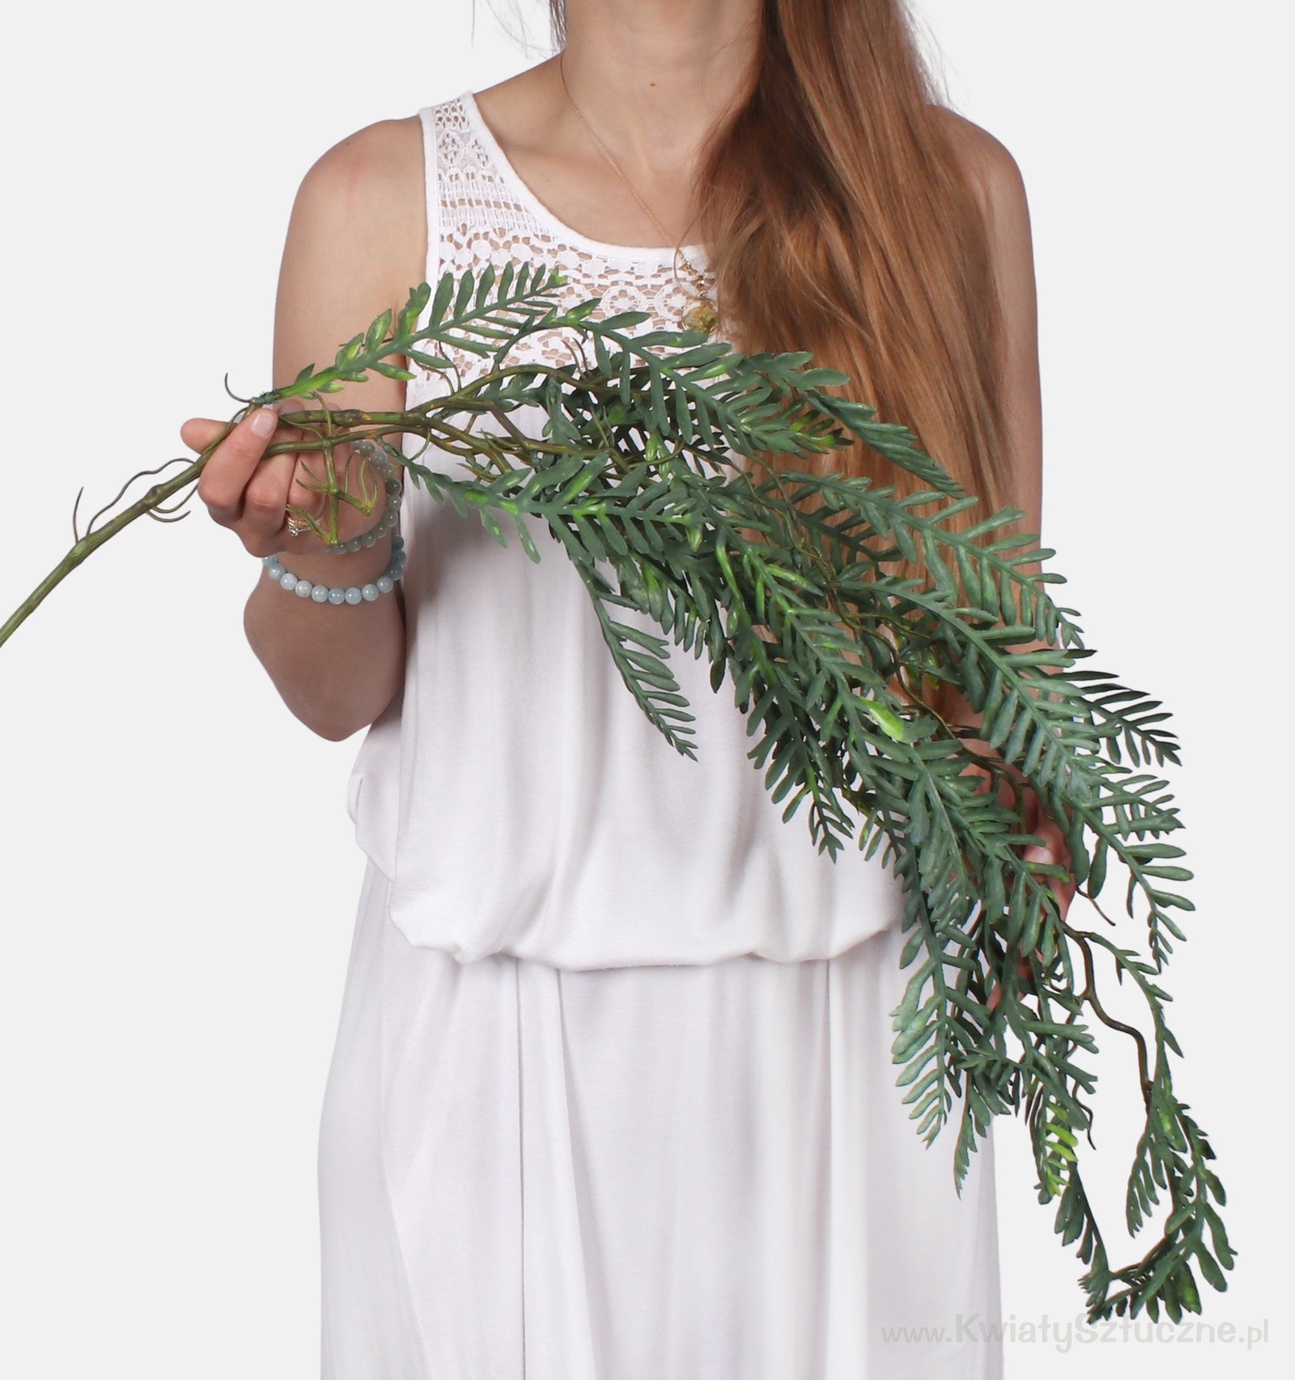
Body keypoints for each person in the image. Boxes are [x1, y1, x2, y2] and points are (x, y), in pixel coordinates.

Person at [183, 2, 1066, 1375]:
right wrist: (326, 538)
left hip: (847, 1051)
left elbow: (997, 672)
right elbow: (334, 694)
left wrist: (1026, 825)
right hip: (494, 1058)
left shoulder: (945, 192)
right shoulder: (382, 201)